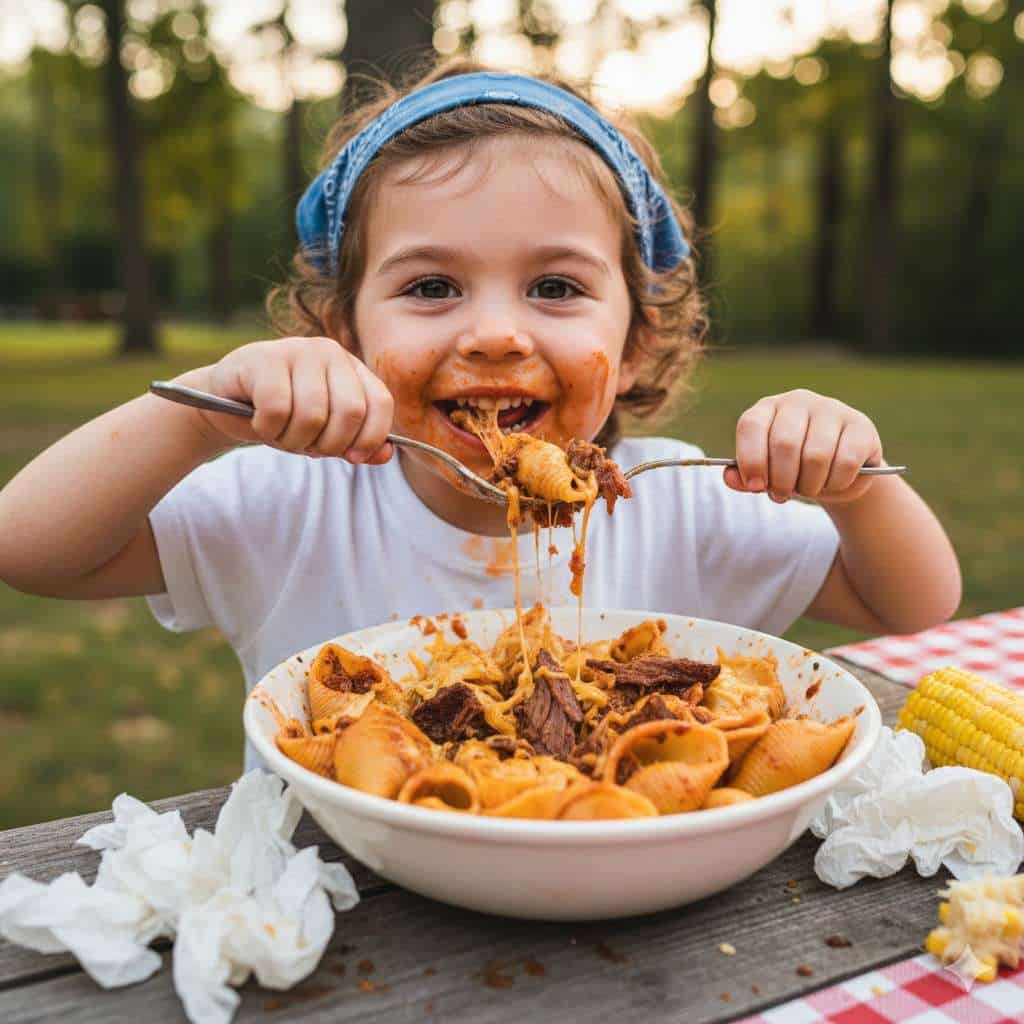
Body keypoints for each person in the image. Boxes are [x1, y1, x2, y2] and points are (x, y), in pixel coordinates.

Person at [0, 59, 960, 772]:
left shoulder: (684, 502)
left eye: (555, 286)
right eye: (431, 287)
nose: (496, 334)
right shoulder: (291, 504)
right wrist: (199, 417)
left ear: (635, 343)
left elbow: (911, 604)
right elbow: (32, 550)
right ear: (345, 334)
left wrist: (855, 487)